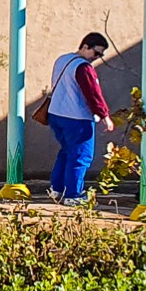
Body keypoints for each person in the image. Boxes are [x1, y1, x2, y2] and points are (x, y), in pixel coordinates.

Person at [44, 32, 115, 202]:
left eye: (101, 55)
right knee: (81, 156)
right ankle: (73, 195)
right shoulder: (83, 68)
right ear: (85, 46)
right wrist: (104, 115)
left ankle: (57, 189)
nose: (97, 57)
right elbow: (92, 94)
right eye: (96, 53)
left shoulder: (63, 59)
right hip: (77, 118)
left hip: (56, 113)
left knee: (66, 152)